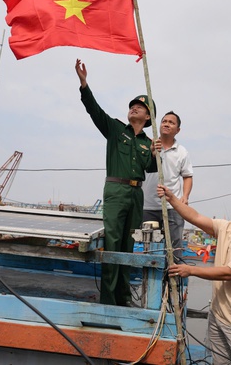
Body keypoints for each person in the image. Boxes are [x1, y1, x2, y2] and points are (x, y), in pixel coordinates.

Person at [159, 184, 231, 365]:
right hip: (218, 315)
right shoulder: (227, 228)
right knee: (219, 362)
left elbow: (228, 273)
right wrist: (171, 198)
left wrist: (191, 270)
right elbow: (195, 217)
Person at [75, 58, 157, 306]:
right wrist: (84, 84)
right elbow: (94, 111)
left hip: (136, 194)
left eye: (139, 107)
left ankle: (123, 298)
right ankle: (109, 300)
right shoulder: (115, 129)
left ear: (148, 116)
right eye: (132, 106)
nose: (133, 108)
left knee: (128, 246)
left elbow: (150, 170)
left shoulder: (147, 143)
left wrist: (155, 154)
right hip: (115, 190)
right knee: (112, 244)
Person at [142, 111, 193, 259]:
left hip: (172, 206)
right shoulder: (148, 145)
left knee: (174, 246)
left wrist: (185, 196)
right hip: (148, 205)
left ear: (178, 130)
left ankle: (173, 280)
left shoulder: (182, 152)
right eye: (164, 121)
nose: (166, 124)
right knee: (146, 246)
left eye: (171, 122)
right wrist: (152, 152)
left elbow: (188, 176)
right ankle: (147, 280)